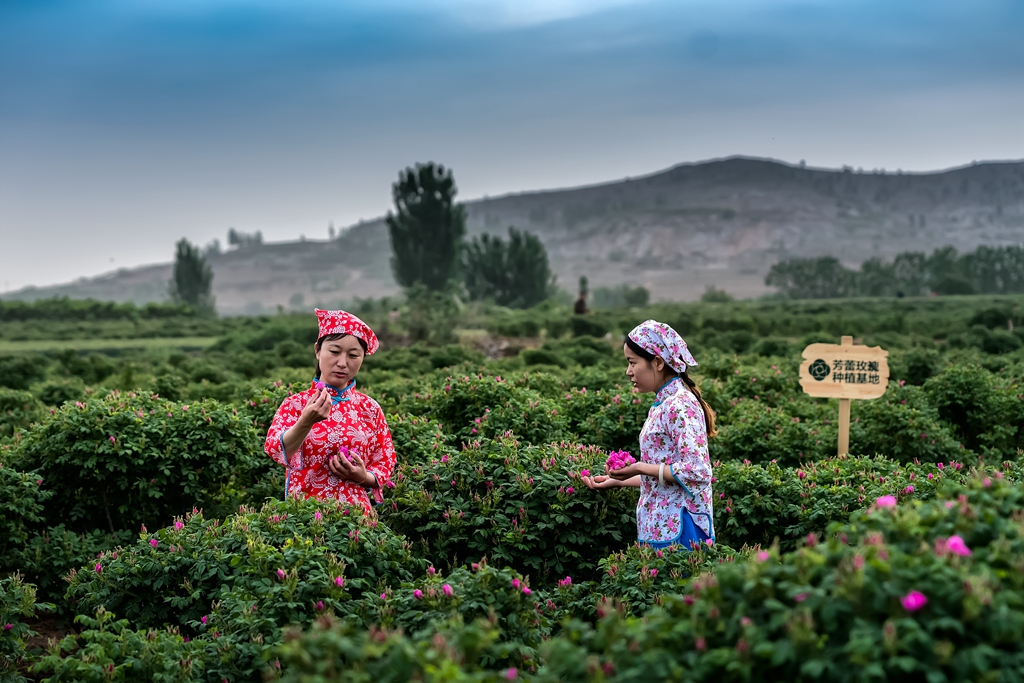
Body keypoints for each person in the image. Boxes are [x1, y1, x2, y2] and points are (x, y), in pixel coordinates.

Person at [582, 320, 717, 548]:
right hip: (659, 525)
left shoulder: (680, 404)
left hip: (681, 529)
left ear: (657, 362)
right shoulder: (662, 403)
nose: (628, 371)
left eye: (632, 362)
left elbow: (698, 470)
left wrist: (640, 467)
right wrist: (617, 481)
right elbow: (665, 475)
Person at [264, 309, 395, 513]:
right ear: (318, 350)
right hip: (306, 519)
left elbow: (385, 461)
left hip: (356, 522)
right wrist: (306, 421)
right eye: (334, 352)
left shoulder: (369, 409)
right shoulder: (295, 405)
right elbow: (276, 450)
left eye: (353, 355)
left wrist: (362, 477)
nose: (342, 363)